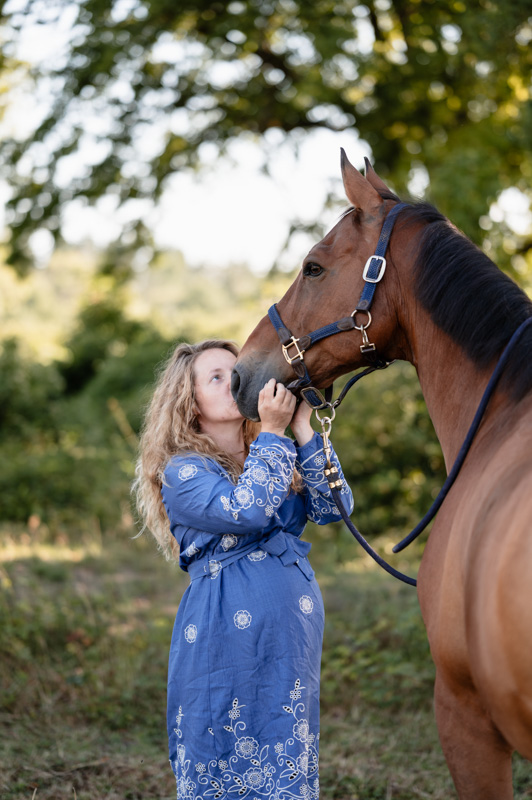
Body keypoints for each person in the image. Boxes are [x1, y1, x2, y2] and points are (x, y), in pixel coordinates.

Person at [134, 338, 353, 800]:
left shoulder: (273, 455)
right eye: (216, 377)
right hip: (223, 631)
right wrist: (273, 433)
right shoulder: (184, 472)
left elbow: (337, 507)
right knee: (222, 738)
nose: (233, 380)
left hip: (290, 635)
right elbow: (247, 510)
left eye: (236, 371)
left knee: (285, 742)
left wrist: (302, 429)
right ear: (189, 402)